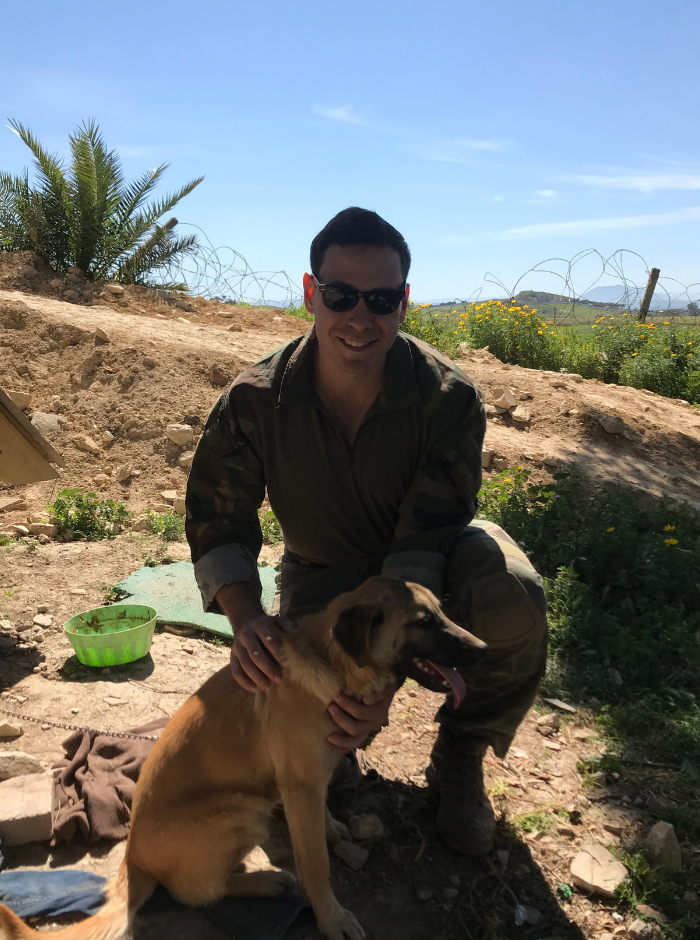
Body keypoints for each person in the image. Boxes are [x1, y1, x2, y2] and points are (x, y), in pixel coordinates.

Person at [185, 207, 547, 855]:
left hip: (423, 572)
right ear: (309, 293)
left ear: (405, 303)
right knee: (305, 726)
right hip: (320, 581)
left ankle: (460, 757)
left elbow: (427, 537)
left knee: (511, 590)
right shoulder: (252, 401)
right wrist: (247, 626)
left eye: (381, 299)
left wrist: (383, 680)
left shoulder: (447, 399)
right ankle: (341, 750)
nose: (359, 317)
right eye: (339, 295)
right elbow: (218, 522)